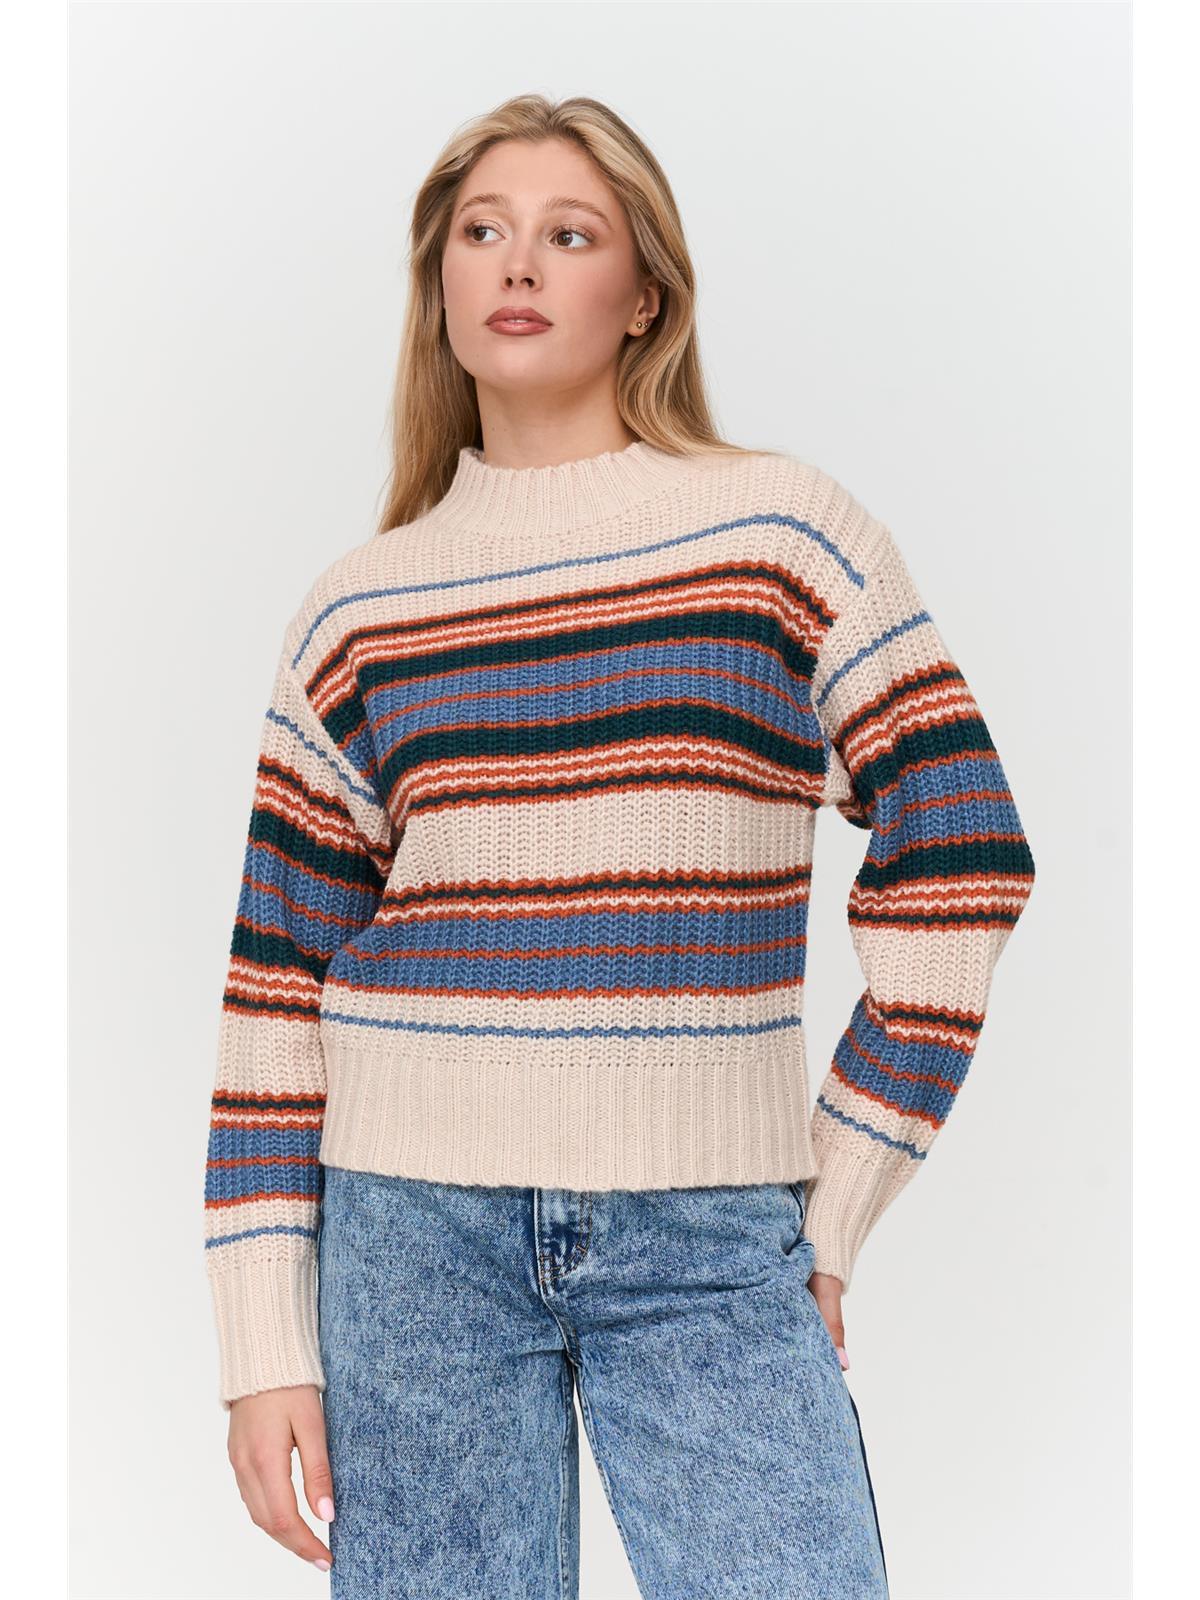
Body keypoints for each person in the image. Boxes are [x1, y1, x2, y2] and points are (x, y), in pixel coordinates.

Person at [203, 94, 1035, 1598]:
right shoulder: (358, 610)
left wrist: (835, 1195)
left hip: (712, 1232)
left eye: (570, 234)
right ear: (441, 284)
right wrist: (263, 1344)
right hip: (409, 1239)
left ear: (644, 294)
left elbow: (963, 851)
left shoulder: (782, 537)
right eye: (483, 231)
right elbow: (275, 988)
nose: (519, 263)